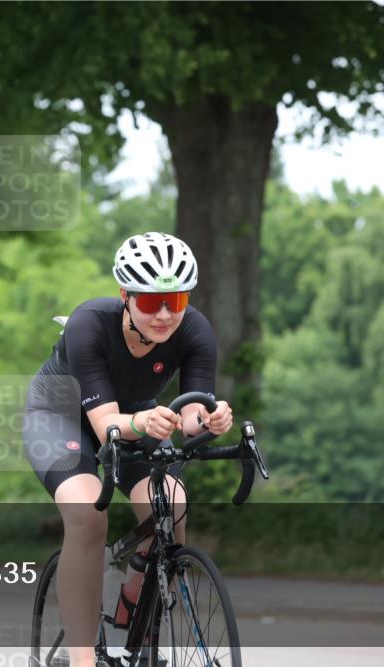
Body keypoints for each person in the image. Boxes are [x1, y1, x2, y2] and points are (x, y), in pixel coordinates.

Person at [23, 232, 233, 667]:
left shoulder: (194, 329)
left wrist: (210, 419)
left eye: (174, 301)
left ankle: (136, 609)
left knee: (172, 508)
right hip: (60, 415)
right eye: (150, 301)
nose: (163, 314)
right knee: (86, 516)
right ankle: (83, 659)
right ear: (125, 295)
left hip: (136, 414)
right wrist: (141, 422)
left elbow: (192, 410)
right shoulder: (89, 323)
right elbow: (105, 425)